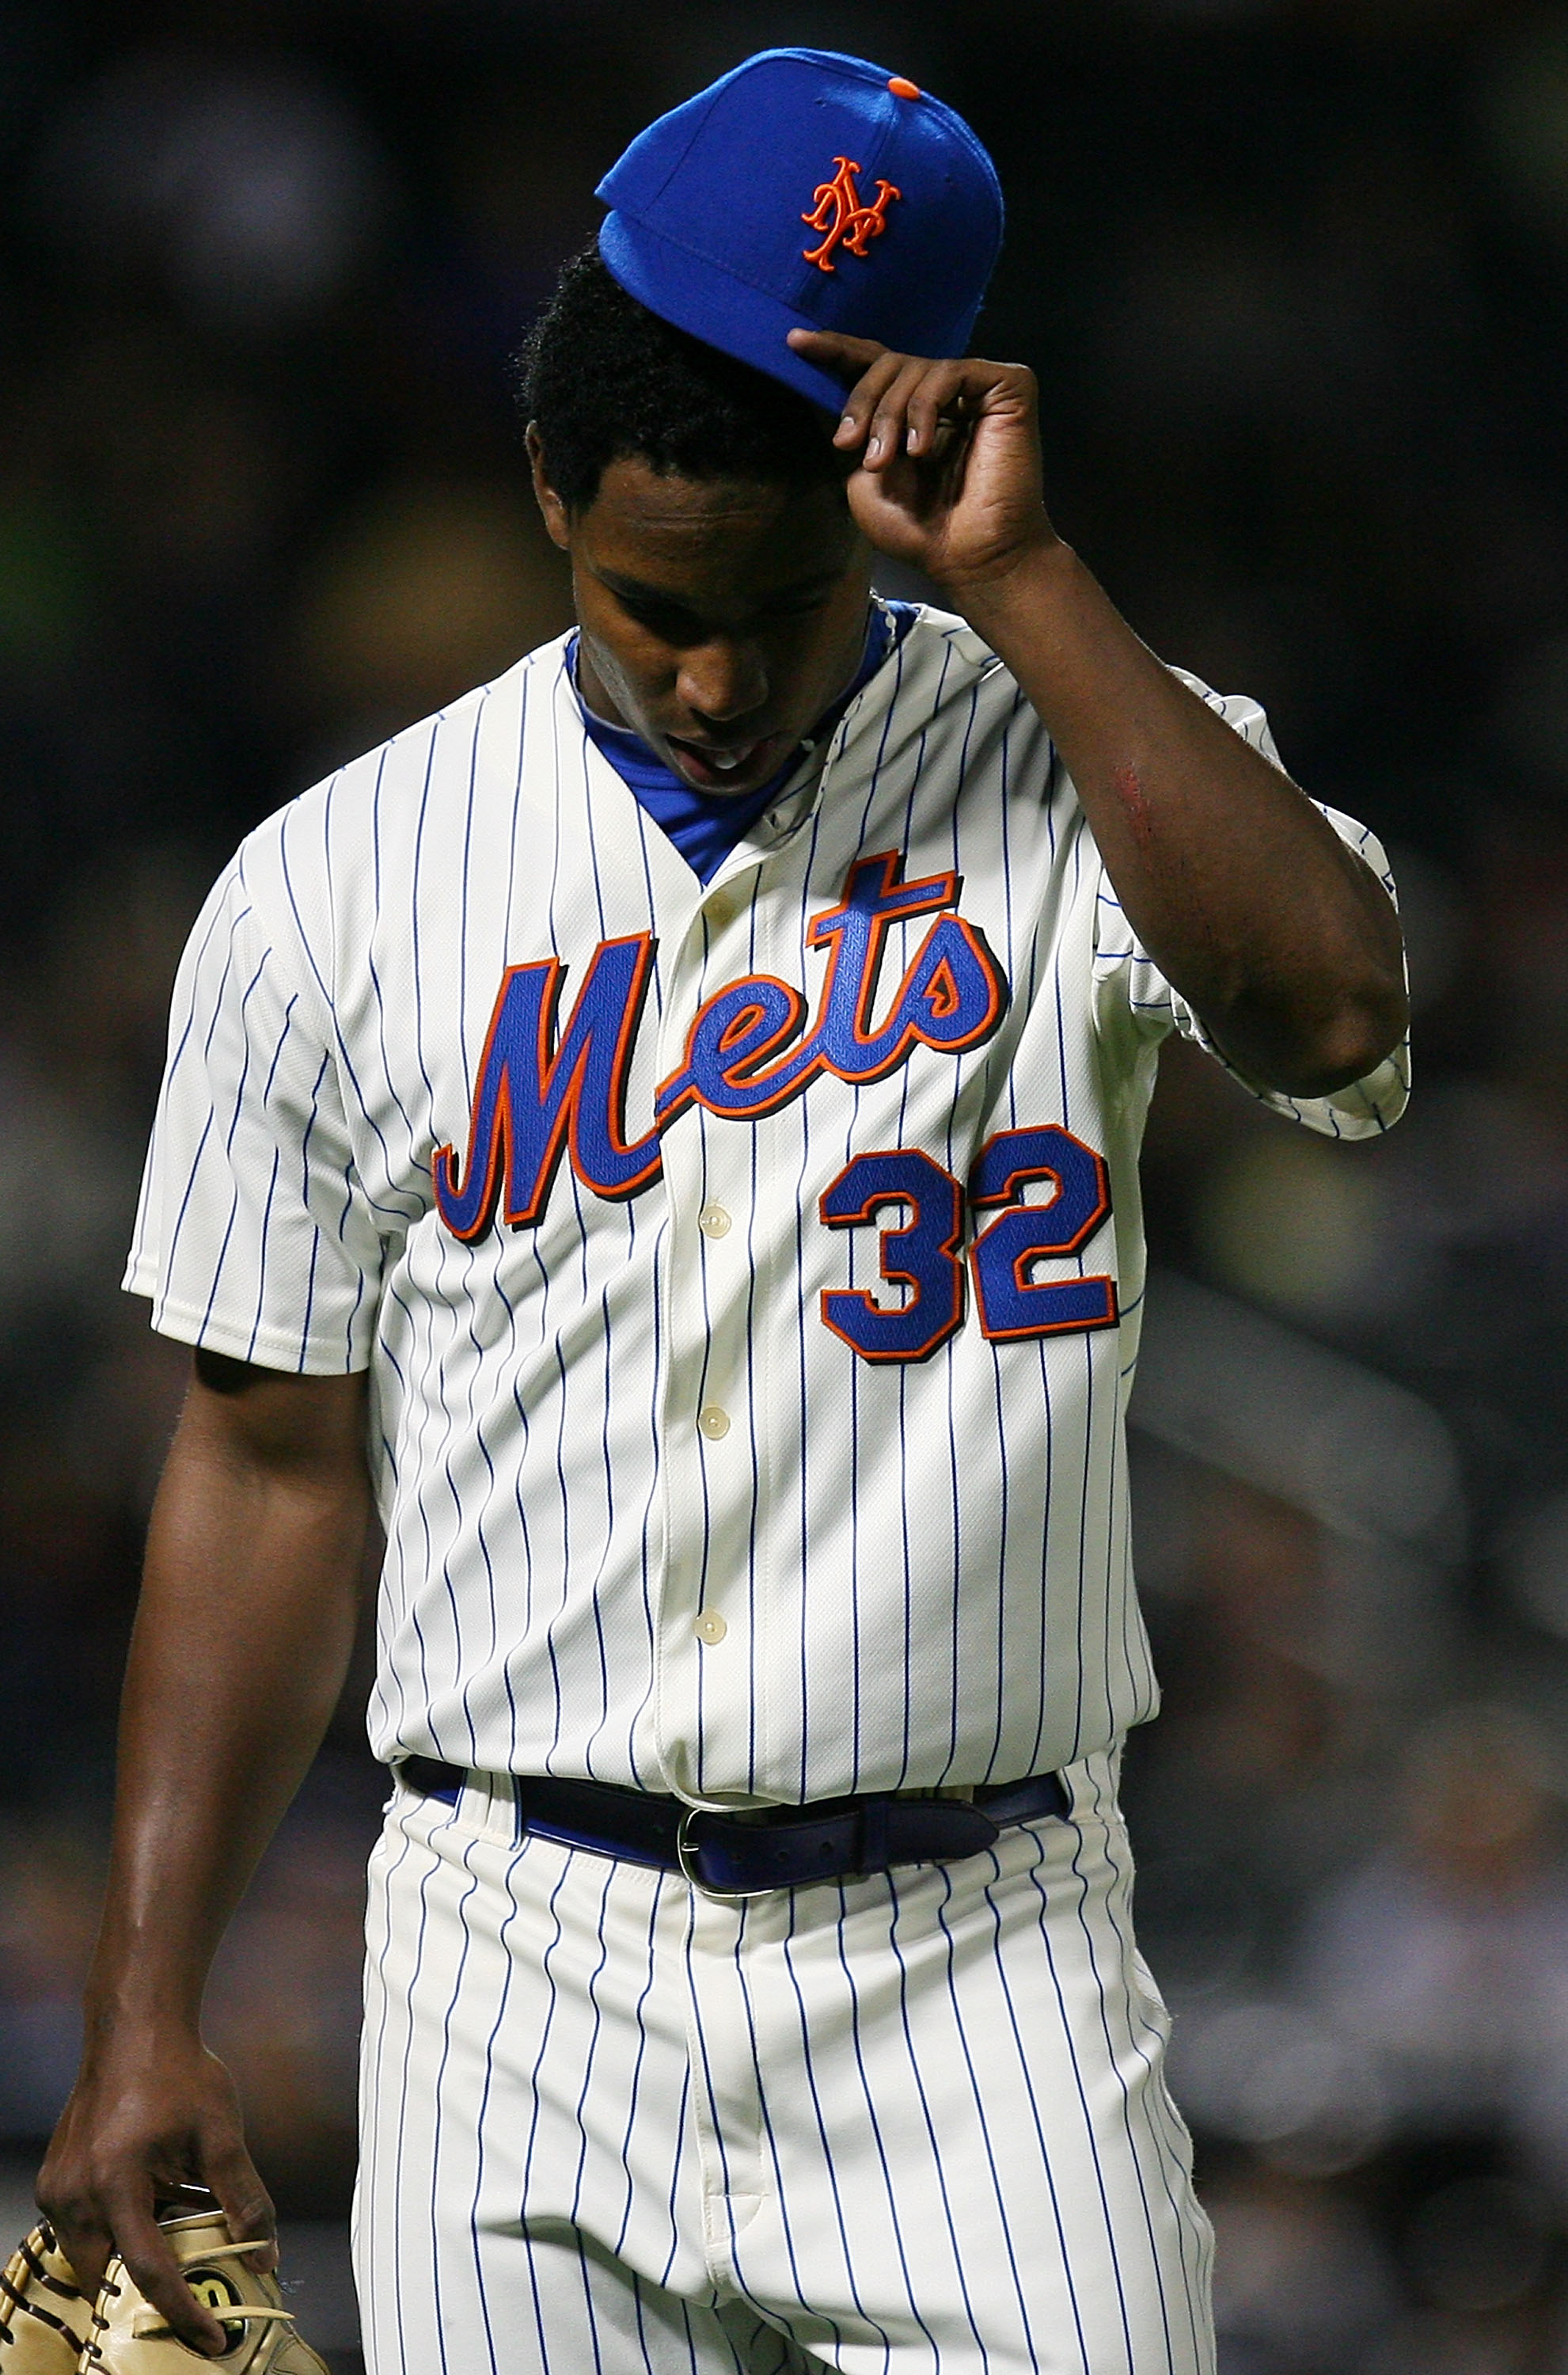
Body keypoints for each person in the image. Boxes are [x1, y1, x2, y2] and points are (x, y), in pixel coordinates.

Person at [37, 48, 1409, 2375]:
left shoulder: (1082, 756)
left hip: (980, 1959)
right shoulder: (333, 887)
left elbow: (1333, 1017)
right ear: (549, 483)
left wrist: (1032, 585)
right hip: (507, 1959)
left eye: (773, 603)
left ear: (880, 512)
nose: (705, 674)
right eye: (645, 595)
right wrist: (144, 2008)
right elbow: (263, 1467)